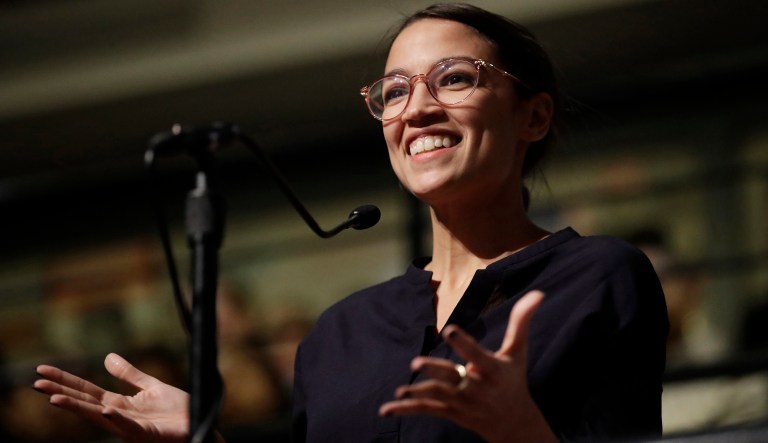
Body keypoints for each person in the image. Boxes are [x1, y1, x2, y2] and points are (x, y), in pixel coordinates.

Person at [33, 3, 669, 442]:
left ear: (532, 118)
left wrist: (518, 431)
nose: (416, 108)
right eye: (393, 91)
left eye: (453, 79)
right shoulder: (340, 334)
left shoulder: (598, 276)